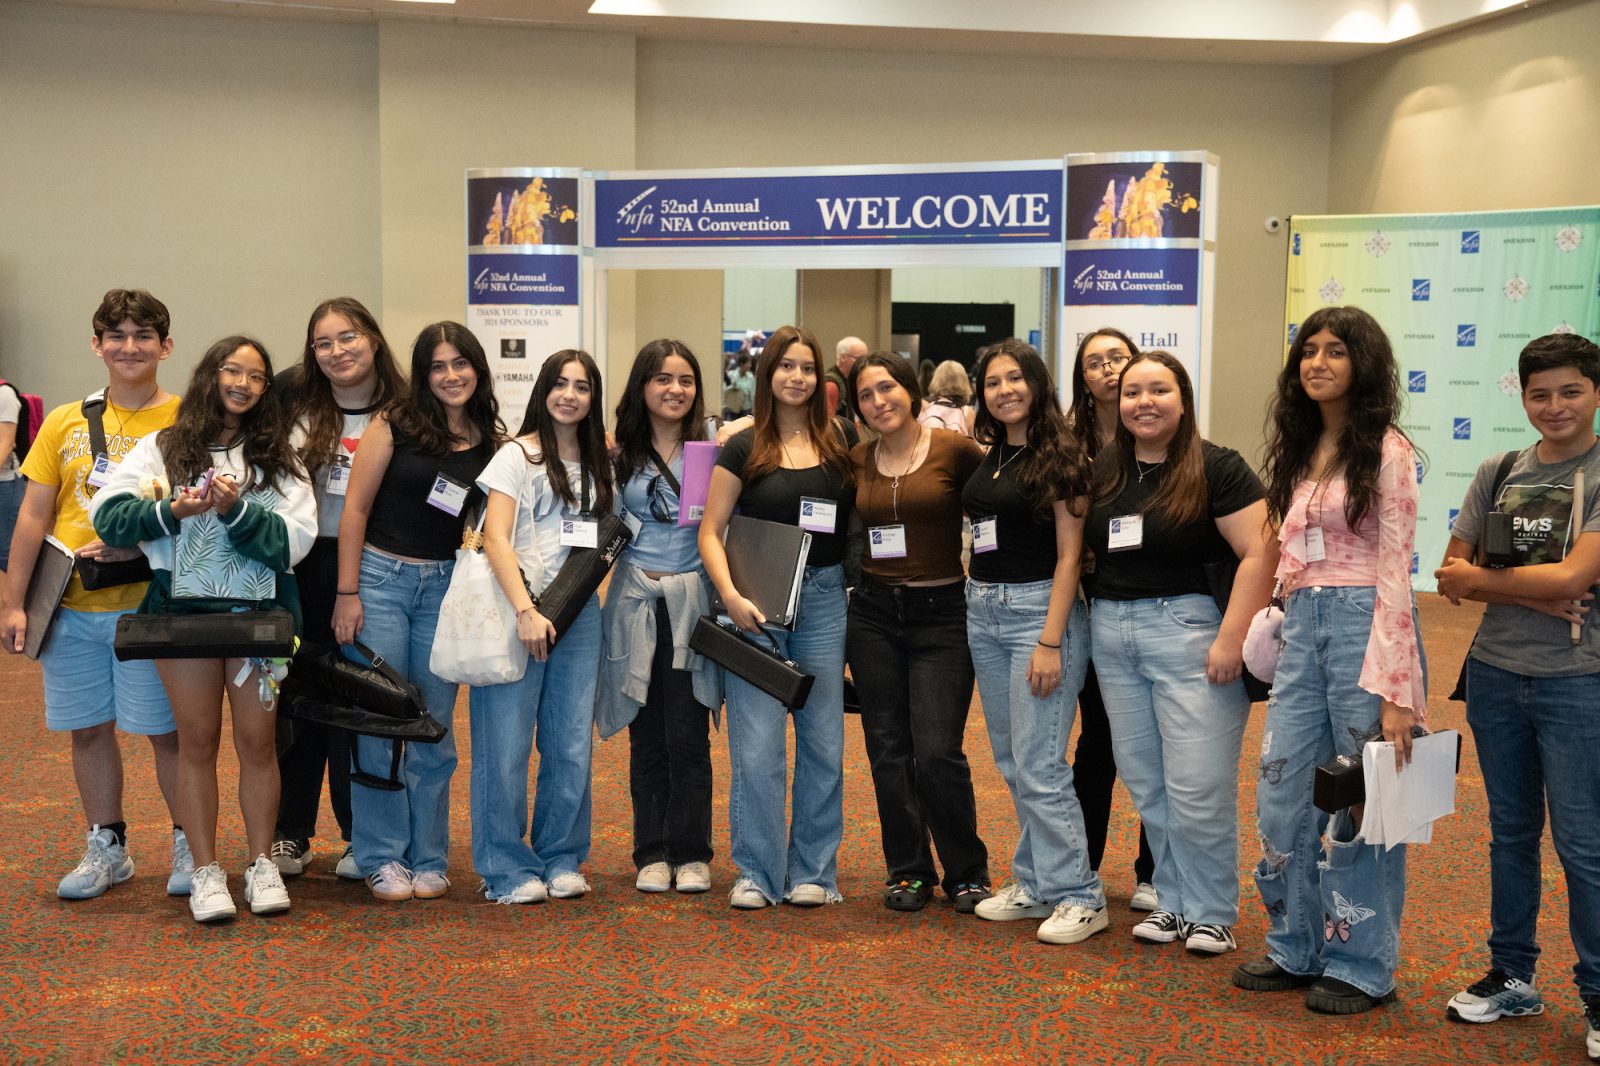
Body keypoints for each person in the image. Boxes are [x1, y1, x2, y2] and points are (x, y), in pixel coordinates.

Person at [1234, 306, 1426, 1013]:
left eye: (1335, 351)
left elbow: (1396, 573)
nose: (1317, 362)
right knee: (1283, 791)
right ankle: (1296, 945)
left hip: (1364, 628)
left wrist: (1398, 688)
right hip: (1303, 627)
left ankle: (1361, 963)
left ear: (1362, 364)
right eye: (1307, 351)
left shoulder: (1389, 451)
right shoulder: (1298, 447)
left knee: (1362, 802)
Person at [90, 335, 317, 922]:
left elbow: (294, 543)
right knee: (196, 745)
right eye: (231, 370)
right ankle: (208, 872)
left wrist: (235, 510)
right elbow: (108, 516)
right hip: (181, 623)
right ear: (210, 375)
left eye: (256, 376)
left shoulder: (280, 455)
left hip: (259, 624)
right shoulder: (161, 448)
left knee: (258, 745)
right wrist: (172, 511)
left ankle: (261, 864)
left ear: (266, 389)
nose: (242, 383)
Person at [1435, 331, 1600, 1059]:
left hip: (1578, 682)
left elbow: (1573, 579)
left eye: (1570, 391)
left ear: (1594, 393)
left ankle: (1598, 992)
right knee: (1510, 834)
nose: (1554, 406)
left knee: (1584, 844)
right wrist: (1532, 598)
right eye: (1540, 393)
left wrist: (1491, 584)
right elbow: (1449, 572)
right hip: (1496, 675)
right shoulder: (1499, 468)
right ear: (1522, 396)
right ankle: (1513, 974)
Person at [0, 289, 190, 901]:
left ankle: (191, 841)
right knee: (88, 730)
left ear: (166, 346)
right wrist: (13, 601)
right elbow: (32, 516)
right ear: (97, 345)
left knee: (167, 734)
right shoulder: (62, 421)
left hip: (152, 606)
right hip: (71, 608)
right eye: (116, 336)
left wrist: (137, 549)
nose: (129, 347)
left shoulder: (189, 422)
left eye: (143, 336)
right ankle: (108, 845)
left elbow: (200, 517)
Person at [1085, 349, 1274, 956]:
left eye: (1159, 390)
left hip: (1191, 634)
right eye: (1133, 392)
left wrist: (1232, 638)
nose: (1144, 402)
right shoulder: (1106, 467)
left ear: (1183, 398)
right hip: (1113, 636)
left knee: (1198, 786)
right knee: (1148, 782)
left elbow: (1261, 554)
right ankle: (1172, 900)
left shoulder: (1217, 466)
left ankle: (1213, 910)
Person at [334, 321, 501, 903]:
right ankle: (380, 855)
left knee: (433, 727)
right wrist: (346, 593)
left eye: (461, 364)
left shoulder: (491, 439)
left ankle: (429, 855)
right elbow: (353, 511)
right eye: (437, 366)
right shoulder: (395, 424)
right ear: (423, 373)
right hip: (380, 581)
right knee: (381, 723)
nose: (450, 375)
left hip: (448, 590)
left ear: (477, 369)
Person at [699, 324, 856, 910]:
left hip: (821, 602)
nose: (797, 377)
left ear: (821, 379)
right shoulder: (743, 446)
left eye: (807, 368)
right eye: (785, 366)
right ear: (768, 375)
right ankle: (758, 873)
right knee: (758, 747)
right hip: (756, 606)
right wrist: (731, 596)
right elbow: (710, 532)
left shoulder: (841, 439)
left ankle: (815, 872)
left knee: (823, 744)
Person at [960, 338, 1106, 945]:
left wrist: (1050, 641)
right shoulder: (992, 455)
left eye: (1015, 378)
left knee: (1042, 763)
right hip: (984, 614)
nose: (1005, 391)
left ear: (1038, 384)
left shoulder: (1063, 456)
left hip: (1038, 617)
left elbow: (1072, 556)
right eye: (993, 382)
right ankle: (1037, 880)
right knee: (1013, 760)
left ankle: (1081, 894)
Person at [847, 351, 991, 913]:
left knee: (937, 751)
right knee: (887, 749)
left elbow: (996, 511)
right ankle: (907, 869)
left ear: (912, 393)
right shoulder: (857, 460)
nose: (878, 401)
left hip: (943, 613)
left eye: (887, 388)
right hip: (874, 615)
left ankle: (966, 869)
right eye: (866, 394)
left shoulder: (956, 451)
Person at [271, 297, 408, 882]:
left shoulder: (407, 411)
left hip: (372, 569)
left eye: (347, 337)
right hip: (303, 567)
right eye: (323, 343)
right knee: (296, 699)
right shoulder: (291, 405)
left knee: (359, 698)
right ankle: (291, 832)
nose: (337, 351)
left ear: (373, 339)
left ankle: (360, 835)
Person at [468, 349, 610, 904]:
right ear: (543, 390)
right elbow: (495, 537)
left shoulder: (601, 460)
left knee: (570, 745)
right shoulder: (515, 455)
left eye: (582, 386)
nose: (570, 395)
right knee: (505, 748)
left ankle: (561, 856)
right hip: (517, 614)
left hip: (578, 618)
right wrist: (527, 609)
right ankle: (504, 867)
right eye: (560, 384)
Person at [599, 339, 721, 896]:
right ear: (642, 387)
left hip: (692, 606)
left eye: (686, 379)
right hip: (633, 604)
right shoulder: (617, 450)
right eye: (663, 379)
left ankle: (693, 851)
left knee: (689, 734)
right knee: (646, 735)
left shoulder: (713, 448)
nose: (675, 389)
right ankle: (650, 850)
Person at [1065, 328, 1157, 912]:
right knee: (1097, 742)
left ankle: (1153, 871)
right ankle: (1082, 868)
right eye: (1094, 362)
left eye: (1116, 358)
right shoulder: (1066, 445)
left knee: (1156, 743)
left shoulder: (1158, 435)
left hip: (1151, 605)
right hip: (1086, 607)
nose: (1107, 370)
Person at [0, 373, 26, 572]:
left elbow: (6, 443)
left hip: (5, 484)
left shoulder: (5, 394)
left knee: (5, 551)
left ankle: (9, 601)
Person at [918, 360, 974, 436]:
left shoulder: (923, 405)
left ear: (936, 379)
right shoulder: (967, 412)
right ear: (964, 380)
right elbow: (972, 444)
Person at [823, 335, 867, 422]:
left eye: (865, 358)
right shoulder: (830, 385)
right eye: (859, 358)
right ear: (843, 357)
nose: (863, 363)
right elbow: (828, 425)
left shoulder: (849, 380)